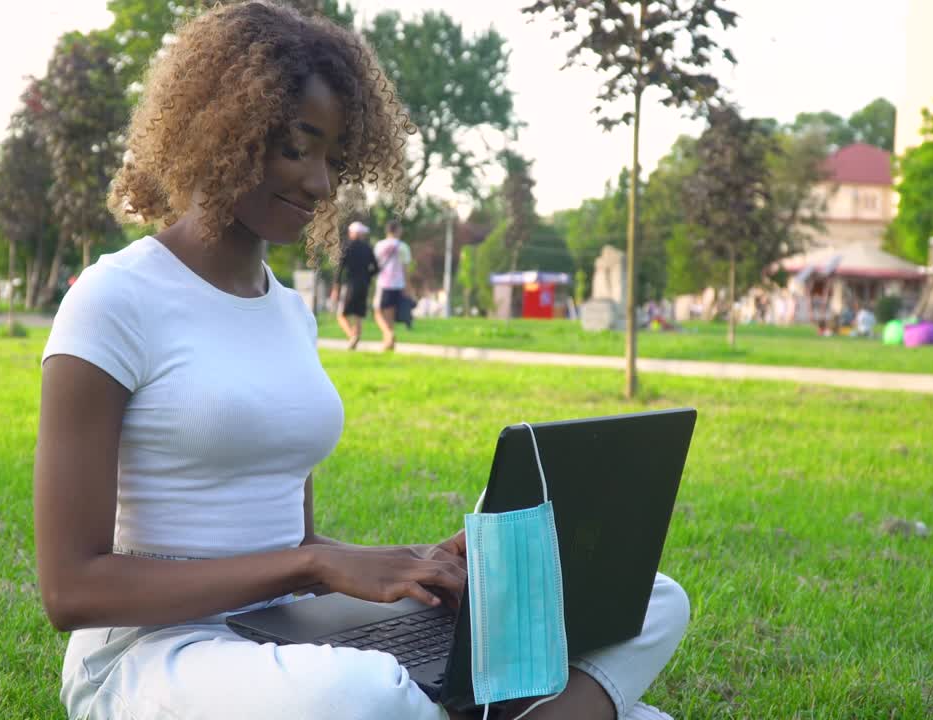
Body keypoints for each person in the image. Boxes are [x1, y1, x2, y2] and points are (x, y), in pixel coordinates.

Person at [34, 5, 687, 720]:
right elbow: (73, 590)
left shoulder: (288, 312)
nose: (320, 184)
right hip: (151, 653)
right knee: (362, 695)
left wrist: (413, 563)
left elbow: (297, 540)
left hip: (281, 638)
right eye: (297, 148)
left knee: (652, 597)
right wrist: (312, 566)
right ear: (223, 129)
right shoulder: (114, 298)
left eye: (337, 161)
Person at [331, 220, 377, 349]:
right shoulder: (368, 248)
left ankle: (352, 336)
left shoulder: (346, 247)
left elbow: (339, 269)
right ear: (360, 234)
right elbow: (376, 268)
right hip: (364, 285)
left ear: (352, 233)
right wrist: (367, 277)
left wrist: (336, 287)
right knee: (358, 314)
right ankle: (355, 341)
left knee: (341, 314)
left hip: (350, 284)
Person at [373, 219, 412, 351]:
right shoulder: (403, 246)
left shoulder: (379, 245)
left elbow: (375, 265)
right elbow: (405, 269)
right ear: (397, 230)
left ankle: (389, 335)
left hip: (383, 283)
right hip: (398, 284)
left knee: (377, 312)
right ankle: (389, 344)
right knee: (390, 314)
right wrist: (407, 287)